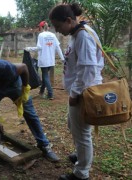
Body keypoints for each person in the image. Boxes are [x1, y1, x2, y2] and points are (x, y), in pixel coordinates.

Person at [0, 59, 60, 169]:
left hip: (13, 84)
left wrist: (25, 88)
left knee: (29, 112)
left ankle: (44, 145)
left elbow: (24, 67)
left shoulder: (4, 68)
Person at [49, 3, 104, 180]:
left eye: (58, 27)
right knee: (74, 126)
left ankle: (81, 174)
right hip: (79, 92)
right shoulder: (77, 33)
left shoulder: (83, 36)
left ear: (68, 20)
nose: (58, 31)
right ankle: (81, 156)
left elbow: (88, 69)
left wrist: (75, 93)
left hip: (84, 94)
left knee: (82, 134)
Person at [25, 21, 65, 100]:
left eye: (39, 27)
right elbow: (58, 47)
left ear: (41, 27)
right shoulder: (53, 35)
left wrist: (29, 48)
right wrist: (62, 58)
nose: (38, 28)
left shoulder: (41, 35)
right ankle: (41, 92)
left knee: (45, 76)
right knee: (45, 76)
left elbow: (39, 47)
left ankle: (50, 94)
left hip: (44, 59)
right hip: (51, 60)